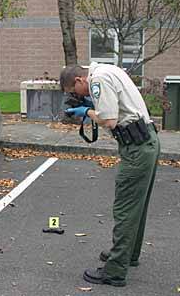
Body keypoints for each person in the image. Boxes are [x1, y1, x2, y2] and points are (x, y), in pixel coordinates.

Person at [60, 62, 161, 287]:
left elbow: (109, 120)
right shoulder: (108, 70)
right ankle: (128, 255)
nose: (75, 95)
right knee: (137, 206)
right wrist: (92, 104)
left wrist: (86, 111)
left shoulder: (97, 80)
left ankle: (115, 270)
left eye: (72, 91)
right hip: (146, 142)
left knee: (125, 208)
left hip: (136, 148)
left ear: (79, 80)